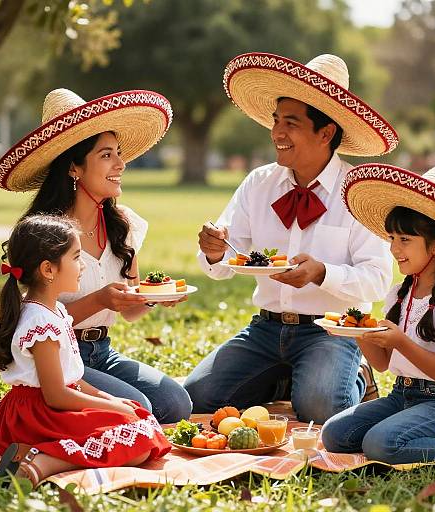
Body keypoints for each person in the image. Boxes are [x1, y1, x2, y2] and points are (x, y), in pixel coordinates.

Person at [184, 52, 399, 423]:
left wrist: (322, 273)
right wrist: (215, 250)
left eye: (291, 123)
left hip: (331, 331)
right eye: (276, 121)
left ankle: (358, 374)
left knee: (320, 409)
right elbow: (221, 263)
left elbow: (378, 282)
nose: (277, 133)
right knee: (198, 398)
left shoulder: (357, 194)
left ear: (326, 132)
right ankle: (284, 379)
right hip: (265, 328)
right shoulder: (259, 183)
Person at [0, 88, 192, 423]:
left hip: (103, 351)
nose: (120, 164)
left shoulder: (122, 225)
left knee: (176, 403)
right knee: (139, 408)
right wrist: (100, 300)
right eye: (106, 155)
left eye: (118, 153)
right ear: (74, 168)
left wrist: (156, 297)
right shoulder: (46, 235)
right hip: (56, 358)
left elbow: (132, 311)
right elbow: (37, 316)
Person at [322, 163, 435, 463]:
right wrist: (358, 332)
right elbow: (383, 364)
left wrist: (400, 341)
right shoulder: (399, 295)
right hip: (403, 394)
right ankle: (410, 432)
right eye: (391, 238)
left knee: (381, 445)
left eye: (405, 240)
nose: (394, 249)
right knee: (334, 434)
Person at [0, 215, 171, 486]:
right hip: (38, 415)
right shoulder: (41, 322)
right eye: (75, 257)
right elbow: (56, 395)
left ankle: (30, 451)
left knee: (137, 416)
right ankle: (44, 462)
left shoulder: (55, 310)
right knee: (139, 442)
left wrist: (109, 398)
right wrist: (108, 405)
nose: (83, 265)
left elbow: (72, 380)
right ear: (48, 270)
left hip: (44, 409)